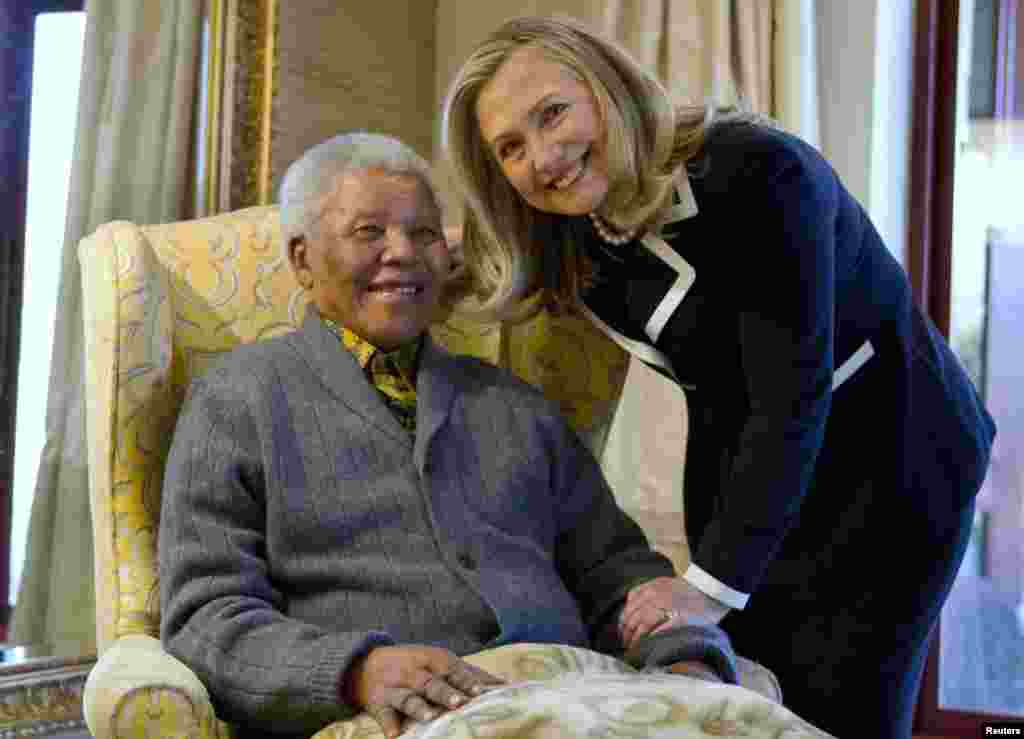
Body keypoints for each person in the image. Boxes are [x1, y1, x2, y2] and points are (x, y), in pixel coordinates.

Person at [439, 15, 997, 739]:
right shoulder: (573, 223)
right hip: (768, 463)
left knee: (844, 709)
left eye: (553, 114)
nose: (543, 157)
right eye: (510, 147)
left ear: (607, 87)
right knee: (754, 700)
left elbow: (787, 393)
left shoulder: (761, 173)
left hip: (897, 458)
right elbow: (723, 397)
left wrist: (707, 584)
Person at [158, 132, 743, 739]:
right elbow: (206, 615)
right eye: (369, 232)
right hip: (400, 718)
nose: (402, 253)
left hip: (577, 692)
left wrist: (686, 653)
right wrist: (357, 670)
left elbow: (616, 571)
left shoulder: (514, 404)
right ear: (303, 260)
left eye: (424, 233)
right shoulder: (237, 398)